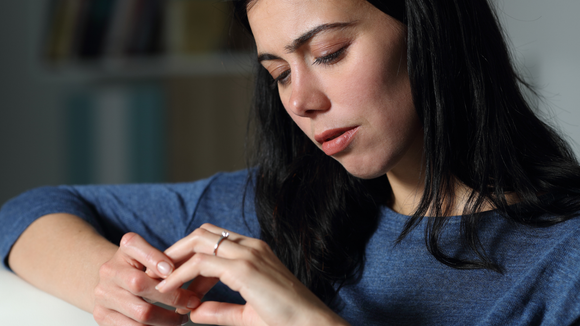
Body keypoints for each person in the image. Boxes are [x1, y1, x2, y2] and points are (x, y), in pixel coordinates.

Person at [2, 0, 580, 325]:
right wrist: (115, 286)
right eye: (278, 73)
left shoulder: (564, 261)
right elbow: (28, 212)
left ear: (430, 27)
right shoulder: (274, 208)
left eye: (328, 53)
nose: (300, 102)